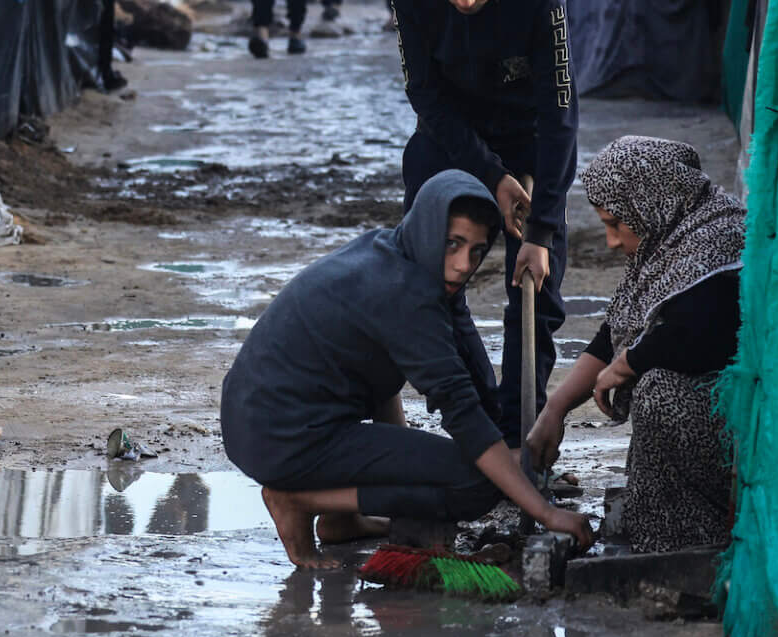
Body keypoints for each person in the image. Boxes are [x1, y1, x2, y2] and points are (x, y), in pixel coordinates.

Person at [221, 170, 592, 569]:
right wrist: (546, 512)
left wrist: (483, 446)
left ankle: (340, 519)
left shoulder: (395, 251)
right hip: (280, 436)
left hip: (259, 417)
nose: (462, 265)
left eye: (476, 251)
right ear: (430, 230)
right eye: (452, 244)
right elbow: (461, 410)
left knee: (438, 452)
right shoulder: (403, 295)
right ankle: (296, 501)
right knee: (477, 485)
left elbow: (418, 366)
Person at [390, 0, 573, 443]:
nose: (465, 0)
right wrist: (492, 177)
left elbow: (560, 115)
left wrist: (539, 230)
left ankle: (521, 436)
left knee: (535, 289)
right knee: (432, 282)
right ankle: (477, 429)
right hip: (450, 140)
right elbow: (426, 96)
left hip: (530, 143)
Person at [526, 137, 742, 552]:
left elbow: (697, 335)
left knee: (658, 392)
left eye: (615, 224)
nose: (610, 241)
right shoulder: (669, 239)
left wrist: (627, 365)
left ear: (648, 203)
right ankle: (666, 522)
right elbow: (616, 332)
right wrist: (555, 410)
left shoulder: (719, 240)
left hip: (748, 441)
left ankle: (699, 539)